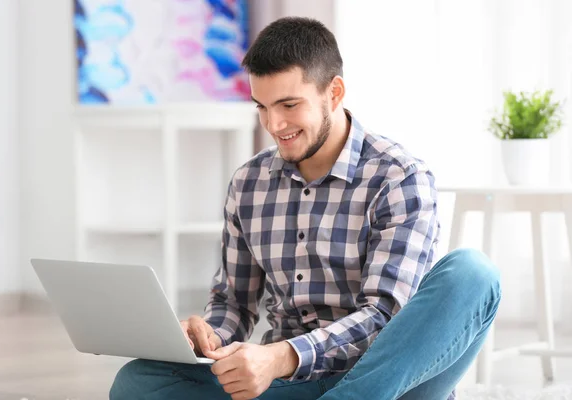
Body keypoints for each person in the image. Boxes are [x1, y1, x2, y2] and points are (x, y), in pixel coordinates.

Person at [110, 17, 501, 400]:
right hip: (284, 382)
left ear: (334, 93)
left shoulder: (399, 178)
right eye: (261, 107)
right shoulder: (249, 182)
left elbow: (385, 316)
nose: (274, 124)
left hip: (384, 381)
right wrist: (207, 337)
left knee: (473, 273)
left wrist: (282, 357)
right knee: (138, 381)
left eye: (288, 105)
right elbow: (233, 303)